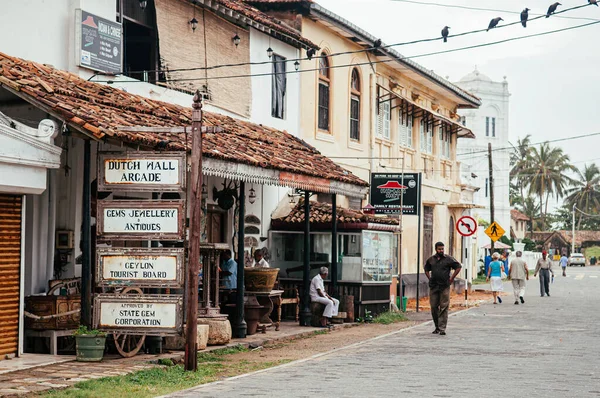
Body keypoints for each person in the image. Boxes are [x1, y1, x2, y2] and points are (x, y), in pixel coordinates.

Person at [424, 242, 462, 336]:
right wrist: (430, 278)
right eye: (439, 249)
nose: (441, 250)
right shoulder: (431, 260)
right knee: (433, 306)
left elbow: (458, 267)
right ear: (436, 249)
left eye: (442, 249)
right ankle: (437, 326)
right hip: (434, 286)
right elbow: (426, 269)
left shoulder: (448, 259)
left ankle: (442, 328)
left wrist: (452, 278)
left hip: (444, 285)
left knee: (444, 306)